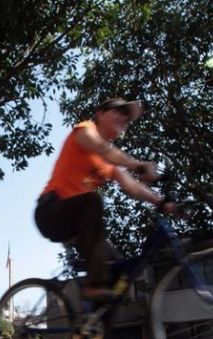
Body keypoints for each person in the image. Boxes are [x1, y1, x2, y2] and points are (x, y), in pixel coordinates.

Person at [35, 97, 175, 301]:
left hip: (78, 224)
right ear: (100, 113)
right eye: (120, 111)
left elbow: (133, 187)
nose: (124, 119)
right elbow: (104, 150)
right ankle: (93, 287)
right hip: (50, 211)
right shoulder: (84, 130)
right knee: (92, 200)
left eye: (127, 118)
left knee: (117, 268)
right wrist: (137, 165)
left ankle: (95, 316)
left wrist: (163, 203)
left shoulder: (108, 166)